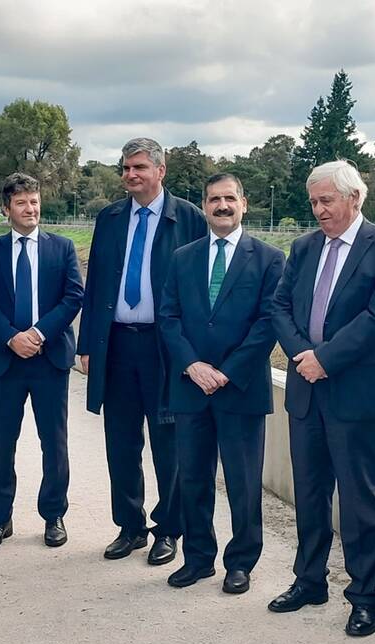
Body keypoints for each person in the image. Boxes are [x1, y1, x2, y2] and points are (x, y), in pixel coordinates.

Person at [268, 160, 375, 637]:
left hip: (354, 391)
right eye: (314, 202)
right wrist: (301, 354)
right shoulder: (304, 247)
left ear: (354, 198)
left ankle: (365, 596)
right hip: (306, 389)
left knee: (358, 499)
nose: (319, 210)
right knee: (308, 495)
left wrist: (324, 358)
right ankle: (309, 581)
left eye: (326, 200)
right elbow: (279, 306)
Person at [76, 138, 207, 565]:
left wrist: (196, 353)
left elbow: (201, 288)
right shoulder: (111, 217)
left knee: (169, 442)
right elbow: (95, 282)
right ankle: (129, 526)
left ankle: (169, 528)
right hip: (116, 344)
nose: (131, 175)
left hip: (164, 347)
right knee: (121, 440)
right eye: (126, 168)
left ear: (160, 170)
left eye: (139, 168)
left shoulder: (188, 218)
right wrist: (87, 343)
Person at [158, 173, 284, 593]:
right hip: (191, 388)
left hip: (241, 389)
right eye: (214, 199)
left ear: (244, 204)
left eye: (230, 198)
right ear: (205, 204)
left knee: (243, 481)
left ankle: (241, 562)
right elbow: (169, 318)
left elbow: (269, 323)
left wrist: (227, 371)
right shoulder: (183, 257)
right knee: (192, 478)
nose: (222, 205)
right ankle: (197, 559)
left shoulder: (268, 259)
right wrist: (193, 366)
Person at [0, 172, 83, 549]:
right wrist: (11, 337)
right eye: (21, 203)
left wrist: (37, 335)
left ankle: (54, 515)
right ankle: (0, 519)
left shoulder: (62, 248)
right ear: (7, 209)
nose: (30, 208)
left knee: (54, 441)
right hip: (4, 361)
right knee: (1, 440)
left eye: (34, 202)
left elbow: (73, 297)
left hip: (49, 359)